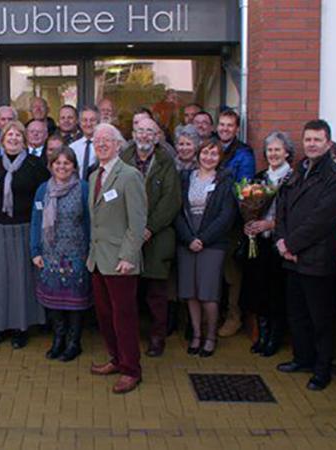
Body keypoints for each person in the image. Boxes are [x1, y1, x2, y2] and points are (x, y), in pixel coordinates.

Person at [275, 119, 336, 391]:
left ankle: (322, 370)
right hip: (291, 258)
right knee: (297, 314)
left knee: (320, 318)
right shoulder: (298, 171)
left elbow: (322, 220)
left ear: (328, 143)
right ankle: (302, 359)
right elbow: (281, 207)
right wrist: (282, 241)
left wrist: (292, 245)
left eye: (317, 140)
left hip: (316, 260)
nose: (312, 144)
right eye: (308, 139)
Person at [87, 123, 147, 394]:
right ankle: (115, 359)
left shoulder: (130, 176)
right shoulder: (93, 176)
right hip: (99, 258)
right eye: (97, 141)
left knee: (124, 317)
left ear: (118, 144)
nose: (101, 144)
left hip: (121, 260)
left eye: (107, 140)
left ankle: (131, 370)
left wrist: (128, 256)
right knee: (104, 314)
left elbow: (137, 222)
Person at [0, 120, 50, 348]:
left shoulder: (35, 165)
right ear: (2, 140)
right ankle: (0, 326)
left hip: (24, 229)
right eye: (9, 136)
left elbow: (44, 199)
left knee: (22, 280)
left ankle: (21, 327)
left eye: (17, 136)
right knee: (0, 279)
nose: (13, 139)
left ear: (24, 141)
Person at [120, 117, 181, 357]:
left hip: (157, 237)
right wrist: (133, 230)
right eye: (140, 131)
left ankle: (157, 337)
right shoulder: (124, 159)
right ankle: (130, 337)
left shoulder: (167, 162)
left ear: (156, 136)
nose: (144, 135)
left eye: (149, 132)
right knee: (130, 291)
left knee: (156, 293)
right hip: (128, 236)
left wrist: (149, 228)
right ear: (133, 133)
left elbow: (171, 200)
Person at [174, 140, 237, 358]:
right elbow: (178, 211)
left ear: (220, 158)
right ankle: (196, 335)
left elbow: (226, 216)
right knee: (190, 292)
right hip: (187, 243)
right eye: (205, 152)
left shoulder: (225, 181)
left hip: (212, 244)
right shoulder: (185, 178)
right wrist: (189, 238)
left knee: (208, 294)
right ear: (198, 154)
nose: (208, 157)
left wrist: (203, 239)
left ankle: (211, 336)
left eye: (214, 154)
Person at [30, 148, 90, 362]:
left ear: (74, 166)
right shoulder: (43, 190)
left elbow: (90, 222)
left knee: (75, 301)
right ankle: (58, 339)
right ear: (51, 165)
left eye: (67, 163)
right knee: (54, 300)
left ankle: (74, 343)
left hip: (76, 253)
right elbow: (36, 220)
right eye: (57, 163)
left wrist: (90, 252)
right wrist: (35, 250)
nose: (62, 167)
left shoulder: (83, 188)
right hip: (50, 254)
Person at [240, 132, 294, 357]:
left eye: (277, 150)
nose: (273, 154)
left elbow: (295, 215)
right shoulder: (259, 178)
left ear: (287, 152)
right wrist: (249, 224)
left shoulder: (293, 179)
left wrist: (269, 224)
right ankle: (262, 336)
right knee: (259, 291)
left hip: (280, 245)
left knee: (276, 293)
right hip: (259, 245)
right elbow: (249, 207)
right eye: (270, 150)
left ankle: (274, 338)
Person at [216, 110, 256, 338]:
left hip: (232, 221)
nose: (225, 128)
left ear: (237, 129)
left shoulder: (243, 154)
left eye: (229, 125)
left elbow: (244, 189)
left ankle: (234, 316)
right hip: (212, 221)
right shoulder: (212, 147)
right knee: (217, 272)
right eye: (221, 124)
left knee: (232, 274)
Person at [69, 106, 100, 180]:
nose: (88, 124)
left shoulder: (103, 146)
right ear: (79, 123)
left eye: (92, 120)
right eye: (84, 120)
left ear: (98, 122)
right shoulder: (72, 147)